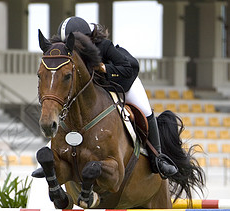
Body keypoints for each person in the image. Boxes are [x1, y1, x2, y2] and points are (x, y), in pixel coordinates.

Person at [55, 16, 178, 178]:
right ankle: (55, 158)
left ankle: (158, 158)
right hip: (96, 91)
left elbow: (128, 68)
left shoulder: (104, 46)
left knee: (145, 110)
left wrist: (104, 68)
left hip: (123, 82)